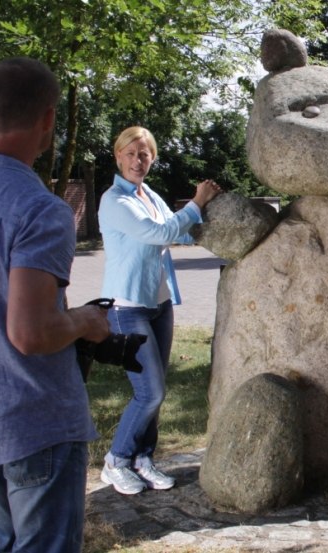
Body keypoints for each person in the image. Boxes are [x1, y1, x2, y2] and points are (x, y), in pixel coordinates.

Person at [0, 57, 110, 551]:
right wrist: (85, 320)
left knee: (9, 541)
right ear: (48, 119)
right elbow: (32, 333)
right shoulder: (39, 208)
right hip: (34, 422)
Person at [98, 126, 221, 494]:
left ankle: (142, 459)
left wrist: (210, 225)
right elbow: (158, 233)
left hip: (159, 304)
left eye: (145, 154)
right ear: (118, 156)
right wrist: (196, 204)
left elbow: (178, 232)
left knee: (157, 389)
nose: (138, 161)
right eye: (132, 153)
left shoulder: (148, 194)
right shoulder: (113, 201)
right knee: (149, 392)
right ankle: (116, 460)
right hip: (127, 308)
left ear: (153, 158)